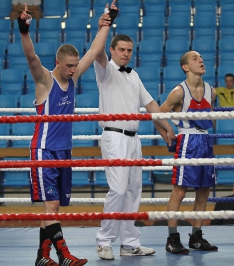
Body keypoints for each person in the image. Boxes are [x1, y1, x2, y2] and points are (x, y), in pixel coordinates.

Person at [19, 2, 113, 265]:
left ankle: (41, 256)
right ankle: (64, 255)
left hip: (64, 152)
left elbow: (95, 50)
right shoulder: (45, 80)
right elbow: (31, 58)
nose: (73, 69)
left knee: (53, 208)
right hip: (44, 151)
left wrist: (106, 23)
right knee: (51, 206)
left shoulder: (72, 79)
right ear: (58, 62)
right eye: (69, 65)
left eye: (75, 65)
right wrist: (24, 31)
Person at [93, 9, 176, 261]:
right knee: (117, 190)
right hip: (114, 136)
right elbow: (96, 52)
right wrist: (103, 26)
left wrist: (166, 127)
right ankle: (104, 241)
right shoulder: (105, 70)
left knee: (133, 191)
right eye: (121, 50)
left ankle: (129, 242)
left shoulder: (135, 76)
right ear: (113, 50)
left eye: (129, 50)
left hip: (133, 139)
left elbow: (151, 105)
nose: (126, 53)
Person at [159, 50, 218, 255]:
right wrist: (168, 133)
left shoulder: (212, 91)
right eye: (195, 58)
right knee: (180, 191)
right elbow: (158, 113)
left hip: (205, 141)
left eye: (201, 57)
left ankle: (196, 237)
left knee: (204, 191)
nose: (201, 60)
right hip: (187, 141)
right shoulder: (179, 92)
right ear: (185, 67)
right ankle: (172, 238)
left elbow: (211, 118)